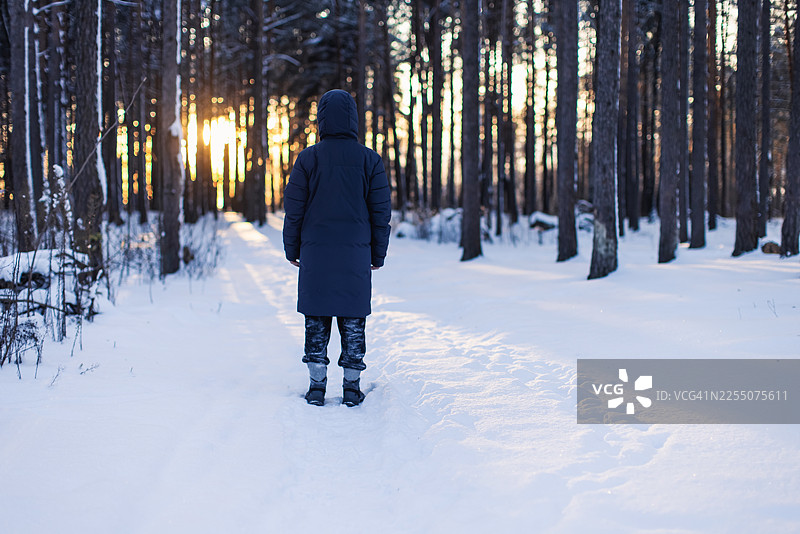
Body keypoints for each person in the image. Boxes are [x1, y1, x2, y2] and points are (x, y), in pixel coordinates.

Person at [283, 89, 391, 407]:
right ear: (353, 119)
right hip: (355, 257)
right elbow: (381, 213)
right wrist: (377, 254)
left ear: (322, 119)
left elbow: (294, 210)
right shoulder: (370, 159)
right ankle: (351, 387)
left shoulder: (308, 158)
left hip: (315, 256)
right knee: (353, 321)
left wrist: (292, 250)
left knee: (316, 320)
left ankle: (317, 387)